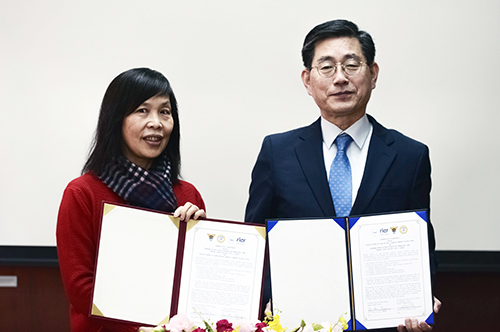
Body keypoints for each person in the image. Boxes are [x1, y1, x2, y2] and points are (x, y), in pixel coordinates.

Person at [244, 20, 441, 332]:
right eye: (326, 67)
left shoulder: (410, 155)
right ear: (307, 81)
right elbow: (256, 240)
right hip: (299, 323)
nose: (340, 78)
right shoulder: (276, 151)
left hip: (384, 324)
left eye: (352, 65)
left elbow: (419, 242)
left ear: (373, 74)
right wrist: (268, 299)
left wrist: (422, 297)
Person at [57, 68, 206, 332]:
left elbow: (200, 285)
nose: (156, 123)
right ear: (116, 119)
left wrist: (201, 240)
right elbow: (81, 288)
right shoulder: (82, 194)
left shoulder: (188, 195)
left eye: (165, 112)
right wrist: (138, 329)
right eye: (142, 110)